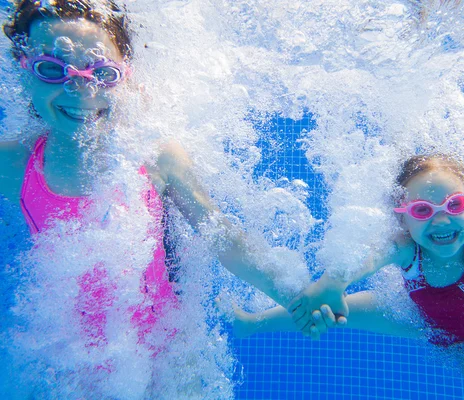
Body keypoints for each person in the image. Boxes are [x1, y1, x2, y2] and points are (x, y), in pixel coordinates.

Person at [0, 0, 293, 354]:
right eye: (50, 69)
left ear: (126, 75)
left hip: (163, 348)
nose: (81, 90)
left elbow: (223, 238)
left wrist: (293, 294)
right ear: (22, 73)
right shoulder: (14, 164)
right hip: (64, 355)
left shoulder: (154, 156)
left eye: (103, 73)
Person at [232, 153, 464, 399]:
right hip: (416, 318)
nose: (442, 220)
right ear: (403, 218)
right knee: (334, 309)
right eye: (423, 210)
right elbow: (369, 256)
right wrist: (334, 282)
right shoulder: (405, 247)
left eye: (454, 205)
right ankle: (252, 322)